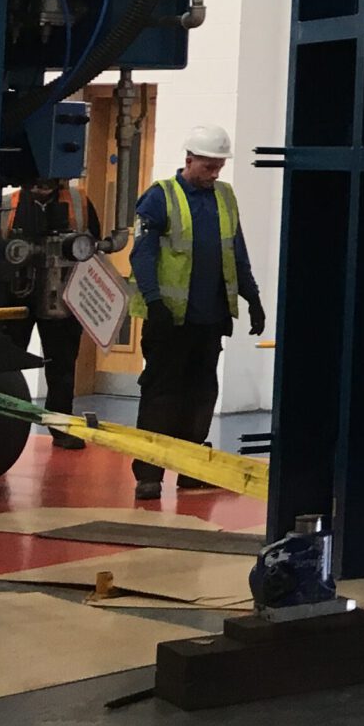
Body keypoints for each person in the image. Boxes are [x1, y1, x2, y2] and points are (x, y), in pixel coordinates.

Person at [127, 123, 264, 500]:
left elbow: (237, 252)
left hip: (209, 318)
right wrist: (154, 301)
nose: (215, 173)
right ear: (189, 159)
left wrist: (252, 299)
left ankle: (191, 471)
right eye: (208, 166)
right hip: (170, 319)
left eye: (219, 166)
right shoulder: (160, 197)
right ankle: (149, 474)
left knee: (201, 395)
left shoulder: (225, 197)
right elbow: (143, 253)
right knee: (161, 396)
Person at [0, 180, 101, 448]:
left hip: (63, 299)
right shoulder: (8, 205)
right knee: (8, 364)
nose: (42, 184)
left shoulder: (80, 203)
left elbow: (94, 249)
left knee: (62, 364)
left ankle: (61, 426)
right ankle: (4, 427)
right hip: (16, 298)